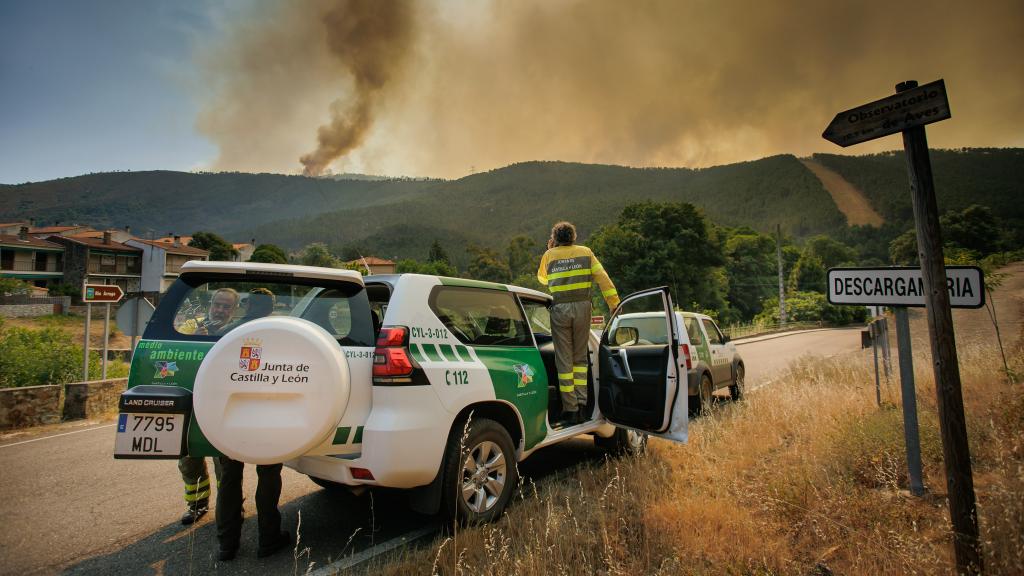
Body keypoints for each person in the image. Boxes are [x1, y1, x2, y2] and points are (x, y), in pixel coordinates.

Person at [215, 287, 289, 561]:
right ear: (271, 307)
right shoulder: (282, 334)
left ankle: (226, 545)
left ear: (246, 305)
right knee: (268, 476)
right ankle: (268, 540)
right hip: (267, 417)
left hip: (230, 415)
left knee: (229, 479)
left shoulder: (227, 333)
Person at [537, 221, 620, 425]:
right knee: (580, 359)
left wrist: (551, 251)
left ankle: (570, 410)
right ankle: (583, 406)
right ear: (573, 236)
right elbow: (603, 278)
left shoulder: (549, 255)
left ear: (555, 238)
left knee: (564, 361)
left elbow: (542, 279)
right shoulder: (586, 252)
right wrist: (614, 303)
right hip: (583, 308)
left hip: (560, 309)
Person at [175, 287, 240, 525]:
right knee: (188, 460)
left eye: (226, 306)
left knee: (224, 463)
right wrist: (196, 339)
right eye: (217, 305)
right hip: (192, 400)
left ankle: (230, 506)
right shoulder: (192, 327)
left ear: (234, 310)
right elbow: (177, 350)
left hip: (222, 404)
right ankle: (197, 505)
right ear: (210, 304)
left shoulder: (238, 332)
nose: (220, 310)